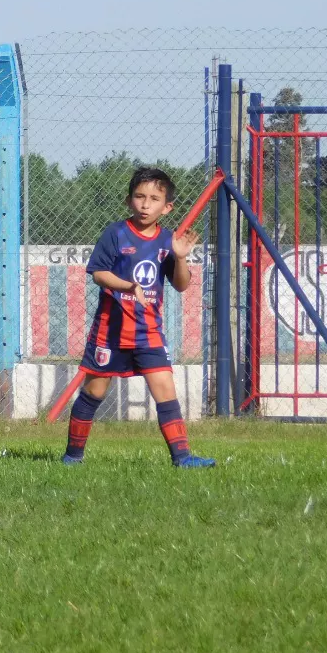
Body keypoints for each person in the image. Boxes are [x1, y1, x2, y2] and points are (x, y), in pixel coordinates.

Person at [61, 167, 215, 468]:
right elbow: (99, 274)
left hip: (148, 331)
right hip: (112, 330)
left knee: (165, 388)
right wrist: (129, 286)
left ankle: (182, 458)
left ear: (167, 207)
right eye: (139, 197)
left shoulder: (168, 240)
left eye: (154, 199)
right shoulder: (115, 234)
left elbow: (181, 284)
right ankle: (72, 456)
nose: (146, 204)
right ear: (129, 200)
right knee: (94, 391)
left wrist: (181, 257)